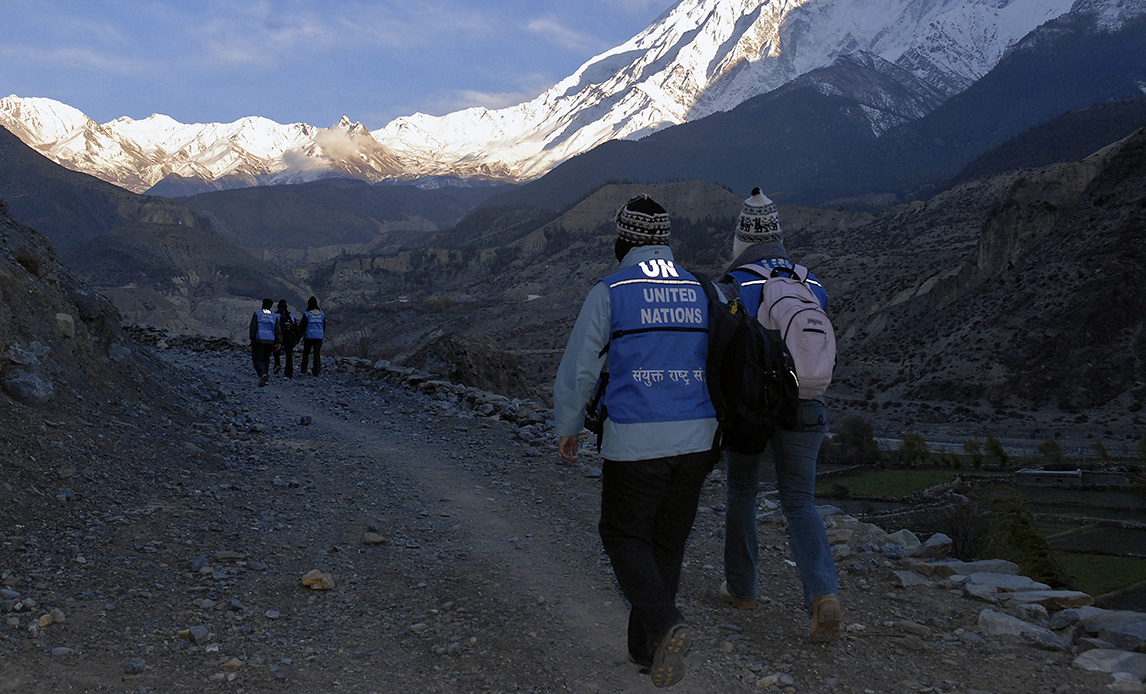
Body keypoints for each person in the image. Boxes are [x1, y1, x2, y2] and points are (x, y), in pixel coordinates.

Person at [554, 194, 718, 688]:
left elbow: (581, 367)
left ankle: (667, 625)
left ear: (623, 239)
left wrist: (568, 426)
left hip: (636, 437)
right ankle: (647, 651)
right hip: (697, 437)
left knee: (623, 535)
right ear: (666, 240)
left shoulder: (612, 289)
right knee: (667, 542)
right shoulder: (700, 288)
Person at [716, 188, 840, 642]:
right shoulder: (812, 284)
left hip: (753, 409)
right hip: (807, 402)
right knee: (799, 502)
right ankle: (823, 595)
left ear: (741, 239)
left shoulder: (734, 285)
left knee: (742, 490)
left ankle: (742, 588)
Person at [249, 298, 281, 387]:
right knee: (266, 358)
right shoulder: (274, 316)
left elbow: (253, 327)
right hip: (270, 340)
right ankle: (265, 375)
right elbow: (277, 329)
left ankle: (262, 374)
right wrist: (278, 342)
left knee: (257, 359)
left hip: (259, 339)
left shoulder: (257, 314)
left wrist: (252, 338)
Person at [298, 296, 325, 376]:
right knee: (317, 354)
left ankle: (304, 369)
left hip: (309, 336)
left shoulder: (307, 314)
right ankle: (316, 371)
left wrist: (300, 335)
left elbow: (302, 326)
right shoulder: (322, 315)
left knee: (306, 353)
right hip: (319, 337)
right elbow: (324, 326)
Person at [273, 299, 299, 378]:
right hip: (289, 339)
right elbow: (296, 329)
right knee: (289, 356)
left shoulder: (275, 316)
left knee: (276, 352)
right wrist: (296, 340)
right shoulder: (291, 316)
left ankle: (277, 365)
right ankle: (289, 373)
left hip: (279, 338)